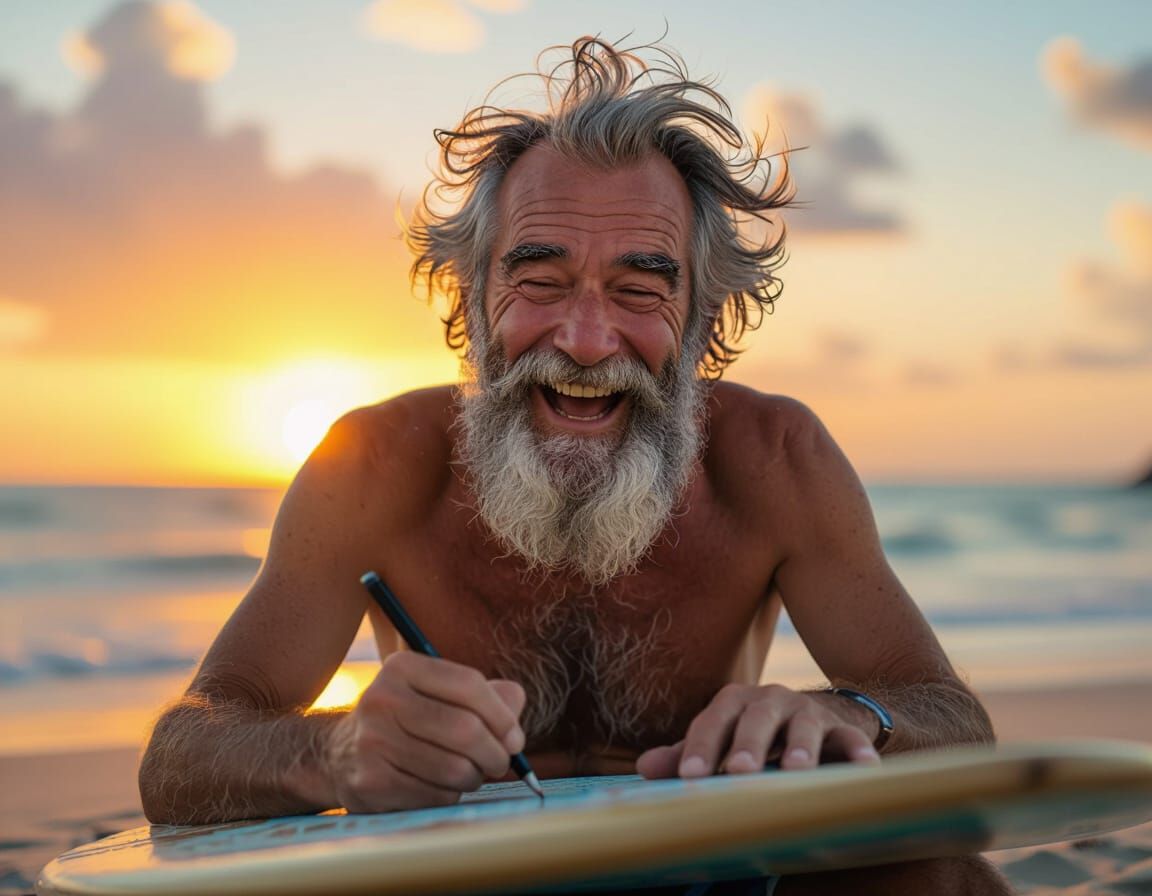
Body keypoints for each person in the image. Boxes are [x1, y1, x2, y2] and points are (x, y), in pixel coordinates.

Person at [139, 37, 1011, 894]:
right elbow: (185, 752)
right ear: (471, 296)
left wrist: (847, 716)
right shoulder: (371, 468)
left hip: (716, 874)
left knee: (939, 874)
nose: (587, 343)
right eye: (540, 280)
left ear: (703, 316)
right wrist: (328, 754)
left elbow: (953, 720)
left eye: (639, 290)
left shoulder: (777, 461)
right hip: (457, 879)